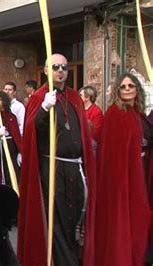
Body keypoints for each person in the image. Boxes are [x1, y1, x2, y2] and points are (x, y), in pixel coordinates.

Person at [17, 54, 96, 266]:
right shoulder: (38, 98)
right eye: (55, 67)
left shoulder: (74, 97)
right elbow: (33, 131)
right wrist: (43, 109)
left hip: (75, 167)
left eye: (63, 67)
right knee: (58, 219)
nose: (60, 70)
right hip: (53, 167)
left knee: (76, 214)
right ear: (46, 71)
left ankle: (75, 256)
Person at [87, 73, 151, 265]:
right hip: (120, 182)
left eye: (131, 85)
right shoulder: (115, 114)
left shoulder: (136, 114)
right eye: (123, 87)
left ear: (137, 89)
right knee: (121, 226)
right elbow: (112, 156)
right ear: (117, 91)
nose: (127, 89)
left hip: (137, 176)